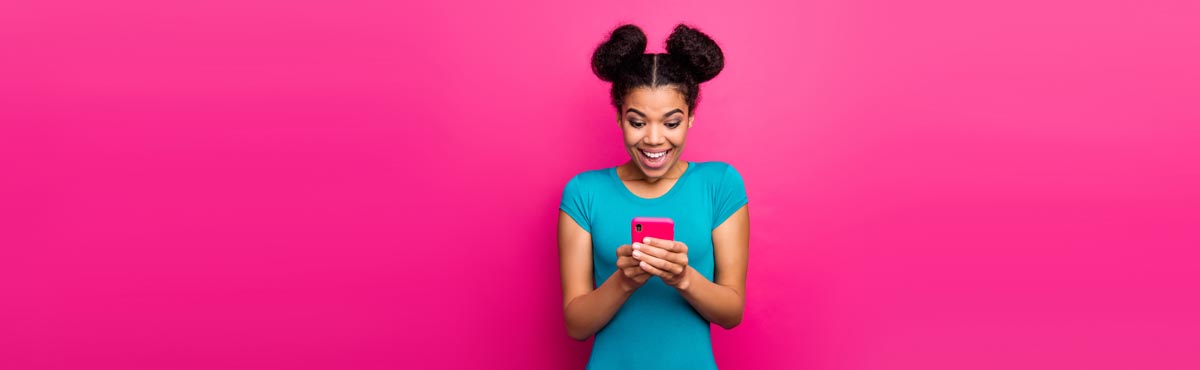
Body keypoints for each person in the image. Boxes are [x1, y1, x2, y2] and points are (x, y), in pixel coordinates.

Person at [558, 23, 750, 370]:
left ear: (691, 117)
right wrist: (625, 280)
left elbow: (731, 313)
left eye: (671, 123)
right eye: (637, 122)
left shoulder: (720, 184)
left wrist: (683, 278)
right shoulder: (583, 193)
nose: (654, 139)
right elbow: (576, 325)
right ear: (619, 118)